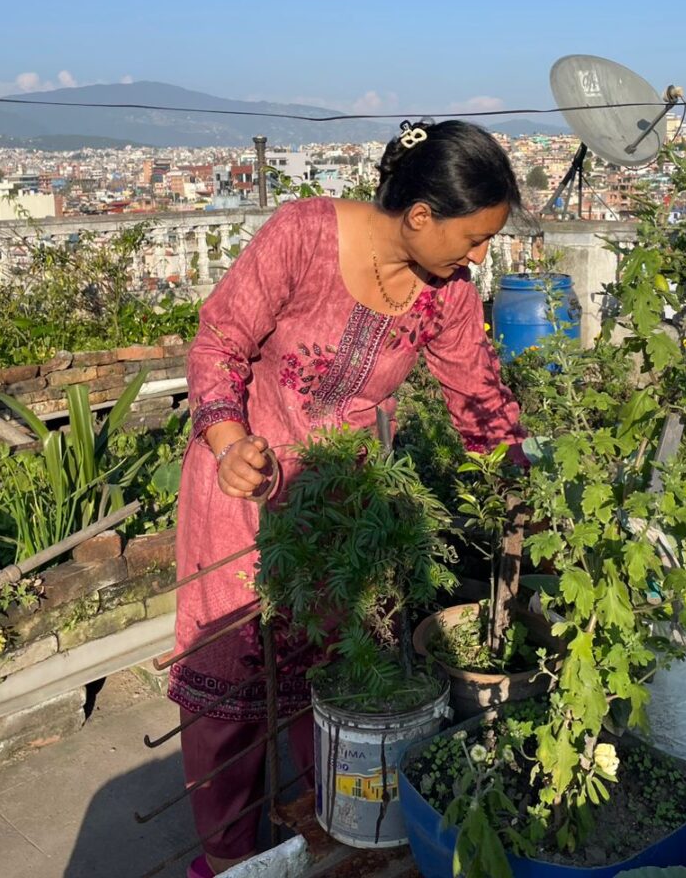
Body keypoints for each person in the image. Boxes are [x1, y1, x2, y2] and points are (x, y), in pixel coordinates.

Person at [170, 120, 528, 876]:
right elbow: (219, 342)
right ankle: (229, 856)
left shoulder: (447, 294)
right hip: (245, 483)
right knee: (230, 679)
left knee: (340, 670)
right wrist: (230, 442)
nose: (478, 257)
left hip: (348, 504)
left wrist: (516, 483)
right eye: (473, 238)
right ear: (421, 215)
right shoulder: (302, 235)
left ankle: (323, 828)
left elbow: (477, 396)